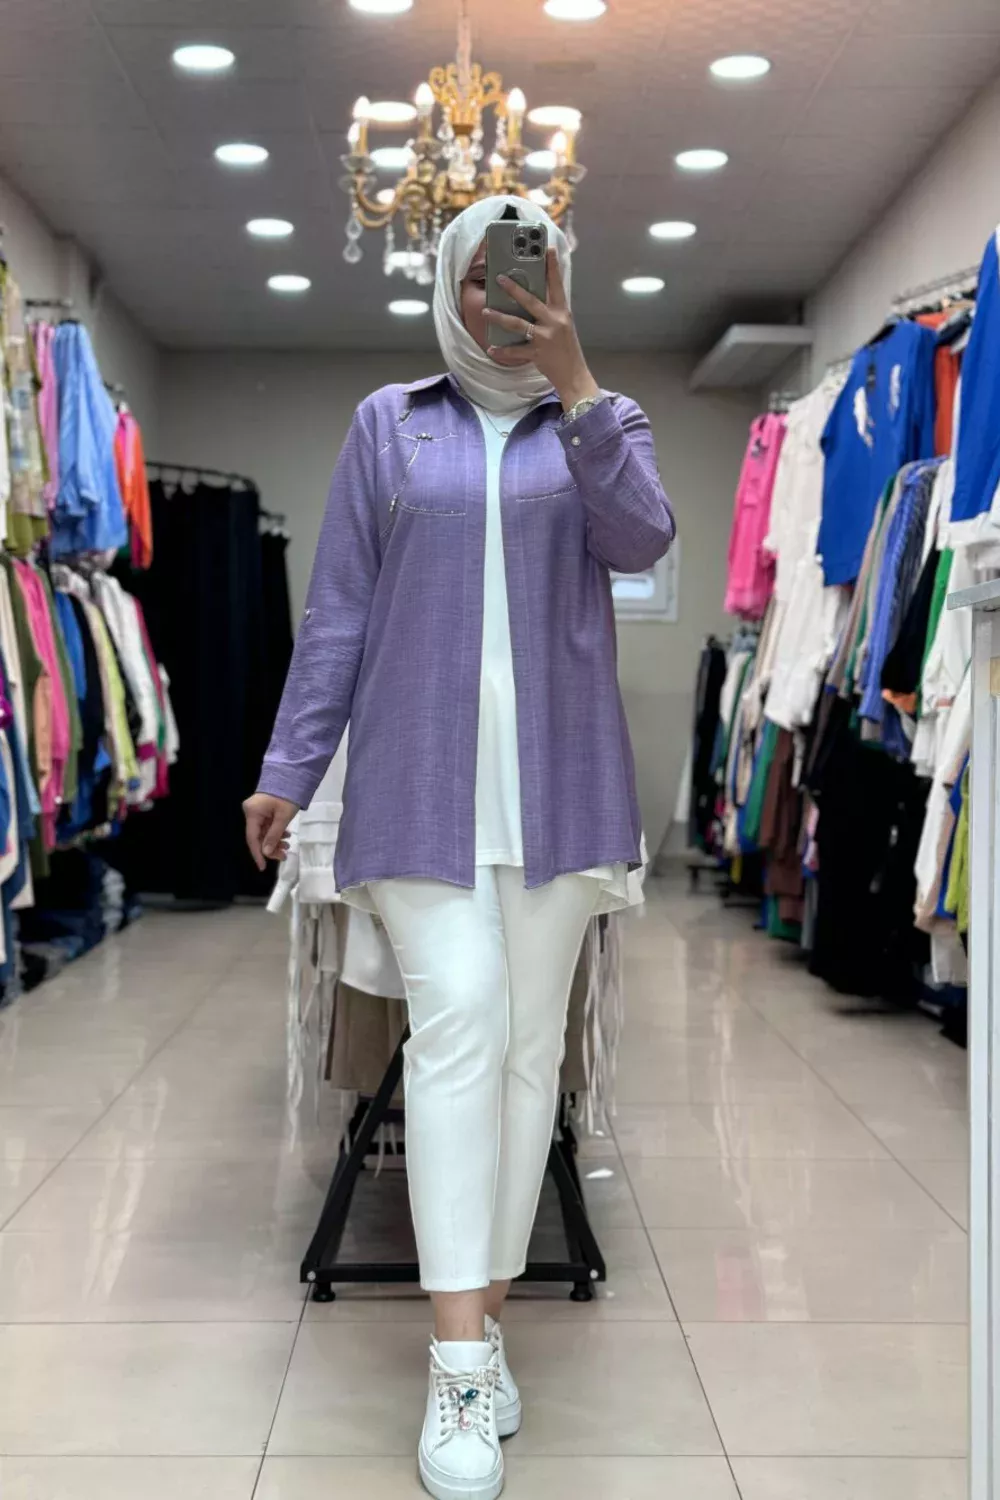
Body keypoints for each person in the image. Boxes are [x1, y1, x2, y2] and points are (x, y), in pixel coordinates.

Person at [243, 195, 674, 1500]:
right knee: (462, 1028)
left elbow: (643, 539)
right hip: (418, 791)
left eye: (526, 276)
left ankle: (484, 1325)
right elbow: (336, 614)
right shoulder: (391, 424)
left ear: (561, 284)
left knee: (530, 1059)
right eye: (481, 277)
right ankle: (456, 1365)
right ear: (448, 283)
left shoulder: (603, 421)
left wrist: (577, 381)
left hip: (560, 795)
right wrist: (287, 769)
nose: (503, 298)